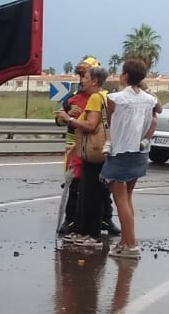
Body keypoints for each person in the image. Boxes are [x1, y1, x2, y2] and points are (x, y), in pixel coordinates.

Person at [101, 56, 160, 259]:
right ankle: (125, 241)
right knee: (128, 198)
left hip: (120, 150)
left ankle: (131, 245)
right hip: (140, 151)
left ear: (125, 75)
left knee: (120, 199)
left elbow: (108, 118)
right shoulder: (149, 99)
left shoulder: (116, 98)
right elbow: (157, 110)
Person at [59, 65, 109, 247]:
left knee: (89, 194)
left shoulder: (95, 97)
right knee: (95, 193)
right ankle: (85, 230)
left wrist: (70, 119)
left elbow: (91, 125)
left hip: (91, 152)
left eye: (85, 77)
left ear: (94, 81)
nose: (82, 81)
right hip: (98, 150)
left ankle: (89, 233)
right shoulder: (105, 96)